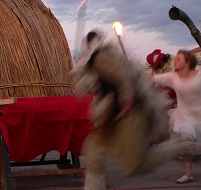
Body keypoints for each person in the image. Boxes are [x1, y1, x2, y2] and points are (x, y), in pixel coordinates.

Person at [73, 32, 194, 190]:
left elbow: (122, 76)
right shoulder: (95, 60)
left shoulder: (99, 57)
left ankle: (179, 147)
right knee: (93, 149)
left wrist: (127, 98)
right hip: (111, 117)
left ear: (89, 44)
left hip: (129, 113)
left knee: (134, 166)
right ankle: (94, 186)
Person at [152, 50, 201, 183]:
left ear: (187, 63)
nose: (175, 61)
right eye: (175, 59)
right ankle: (188, 173)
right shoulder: (172, 77)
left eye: (179, 59)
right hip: (184, 115)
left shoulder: (200, 76)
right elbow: (152, 79)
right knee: (186, 137)